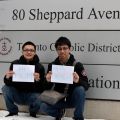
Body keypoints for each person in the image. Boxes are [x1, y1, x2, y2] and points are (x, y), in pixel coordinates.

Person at [41, 37, 89, 120]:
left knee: (80, 89)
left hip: (72, 98)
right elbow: (46, 88)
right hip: (58, 97)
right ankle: (59, 113)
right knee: (41, 105)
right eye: (59, 49)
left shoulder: (77, 65)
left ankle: (78, 117)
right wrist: (47, 81)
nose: (62, 51)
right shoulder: (52, 65)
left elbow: (86, 85)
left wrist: (78, 81)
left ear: (70, 49)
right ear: (56, 50)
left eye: (65, 48)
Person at [2, 41, 45, 117]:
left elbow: (42, 88)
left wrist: (38, 80)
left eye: (31, 50)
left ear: (35, 52)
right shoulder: (15, 64)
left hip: (31, 96)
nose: (29, 52)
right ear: (22, 52)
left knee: (40, 96)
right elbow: (8, 84)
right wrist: (7, 77)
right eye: (26, 50)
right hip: (18, 94)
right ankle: (13, 111)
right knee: (5, 88)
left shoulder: (40, 67)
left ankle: (33, 112)